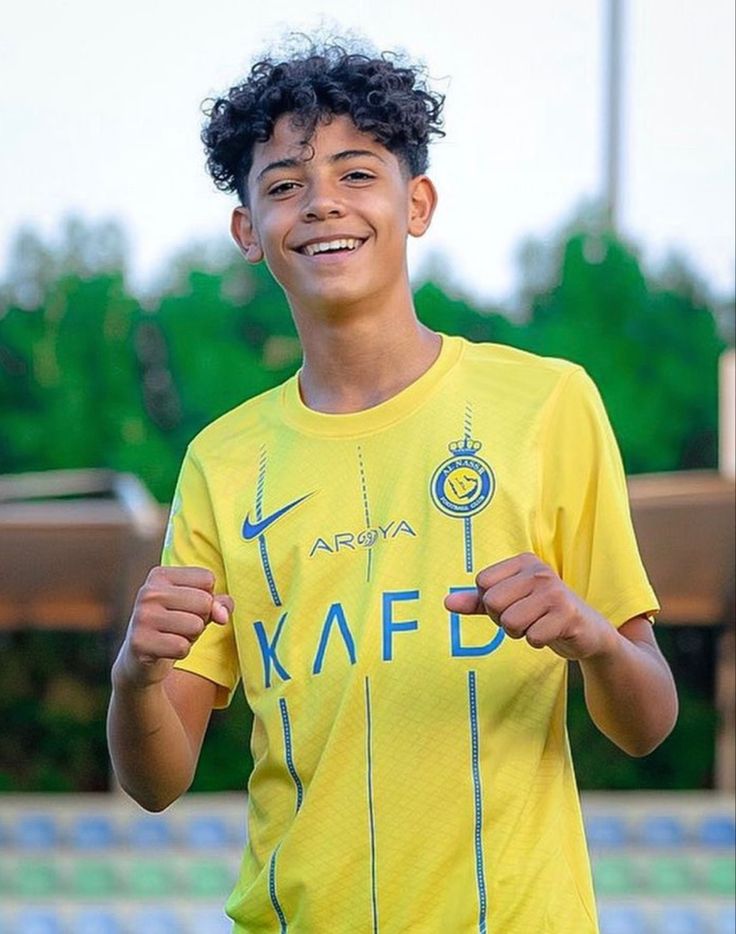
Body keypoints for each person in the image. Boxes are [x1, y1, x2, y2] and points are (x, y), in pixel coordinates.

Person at [107, 41, 678, 933]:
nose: (322, 201)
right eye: (285, 183)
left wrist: (595, 640)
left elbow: (647, 720)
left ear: (416, 204)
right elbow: (157, 779)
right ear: (248, 230)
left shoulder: (547, 404)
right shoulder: (221, 463)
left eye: (356, 171)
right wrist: (136, 678)